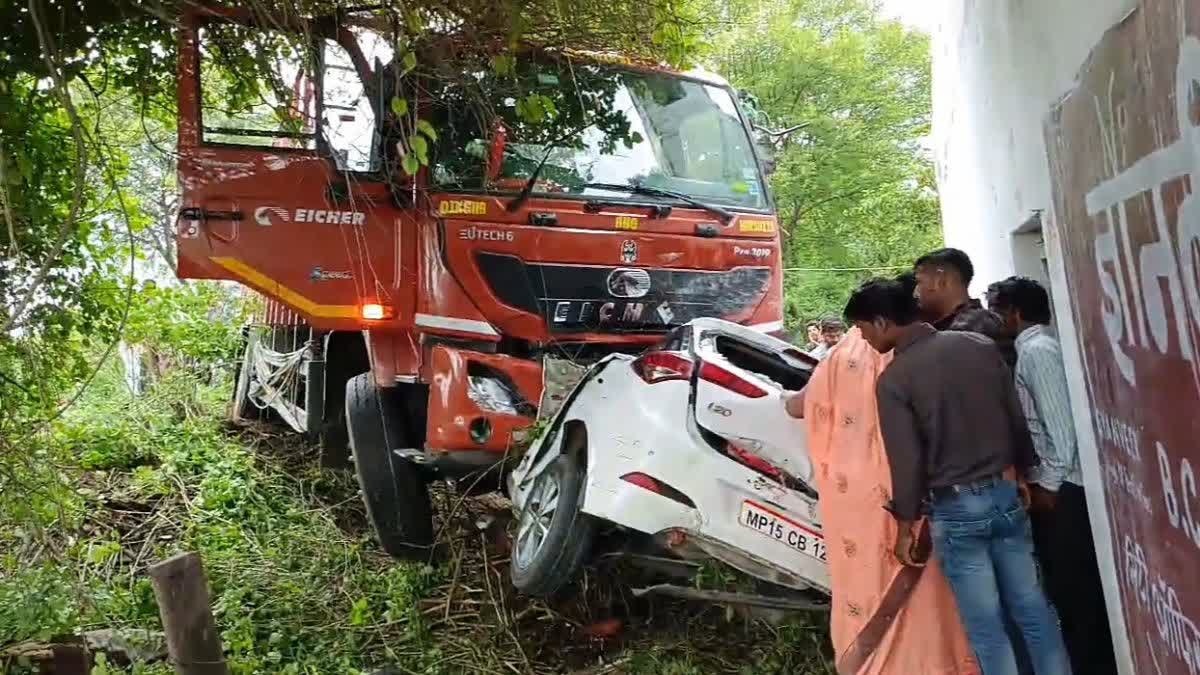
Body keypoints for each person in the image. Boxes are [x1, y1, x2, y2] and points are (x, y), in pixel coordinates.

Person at [844, 277, 1071, 675]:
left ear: (880, 322)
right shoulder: (979, 346)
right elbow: (1015, 417)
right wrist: (1023, 474)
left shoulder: (895, 379)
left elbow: (907, 461)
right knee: (1034, 609)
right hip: (1005, 495)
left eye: (862, 330)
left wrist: (904, 527)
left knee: (987, 627)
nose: (863, 340)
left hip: (957, 509)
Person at [786, 295, 977, 674]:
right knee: (928, 591)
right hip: (915, 489)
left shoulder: (844, 353)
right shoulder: (931, 352)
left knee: (864, 582)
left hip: (855, 494)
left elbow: (798, 406)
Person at [987, 276, 1117, 675]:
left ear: (1015, 313)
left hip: (1065, 491)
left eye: (996, 310)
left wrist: (1049, 485)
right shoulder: (1034, 348)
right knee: (1066, 589)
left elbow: (1062, 431)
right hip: (1058, 488)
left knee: (1076, 590)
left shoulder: (1039, 351)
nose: (993, 319)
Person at [913, 248, 1016, 368]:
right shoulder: (974, 322)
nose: (915, 292)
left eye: (919, 282)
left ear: (940, 280)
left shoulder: (971, 328)